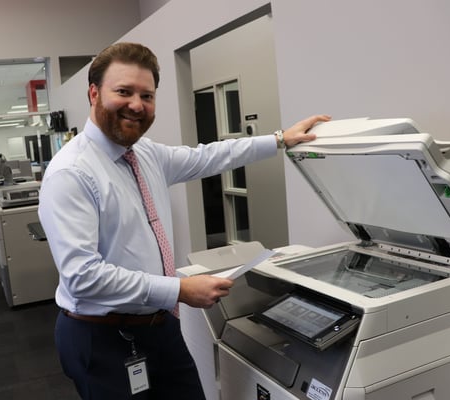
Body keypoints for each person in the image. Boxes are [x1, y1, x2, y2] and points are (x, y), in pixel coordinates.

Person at [38, 41, 330, 400]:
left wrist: (279, 140)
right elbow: (83, 278)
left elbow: (208, 157)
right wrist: (179, 290)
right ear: (94, 93)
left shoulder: (143, 153)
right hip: (101, 337)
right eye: (124, 92)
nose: (136, 105)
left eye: (147, 95)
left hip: (158, 325)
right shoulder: (71, 173)